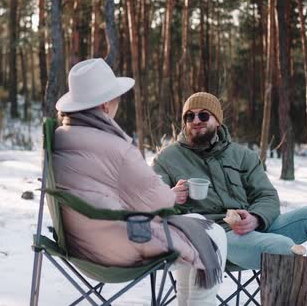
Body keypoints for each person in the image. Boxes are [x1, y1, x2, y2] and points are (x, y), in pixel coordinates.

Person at [53, 59, 227, 306]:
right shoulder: (114, 147)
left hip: (79, 242)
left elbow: (97, 188)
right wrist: (171, 194)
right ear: (104, 104)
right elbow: (155, 200)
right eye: (115, 97)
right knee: (213, 233)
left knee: (197, 226)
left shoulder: (61, 137)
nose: (117, 103)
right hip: (116, 246)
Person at [152, 92, 307, 270]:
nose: (196, 120)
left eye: (204, 115)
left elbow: (267, 196)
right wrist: (169, 197)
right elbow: (144, 202)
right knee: (282, 247)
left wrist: (255, 218)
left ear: (217, 121)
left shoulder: (242, 155)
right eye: (189, 117)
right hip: (213, 235)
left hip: (252, 229)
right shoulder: (167, 159)